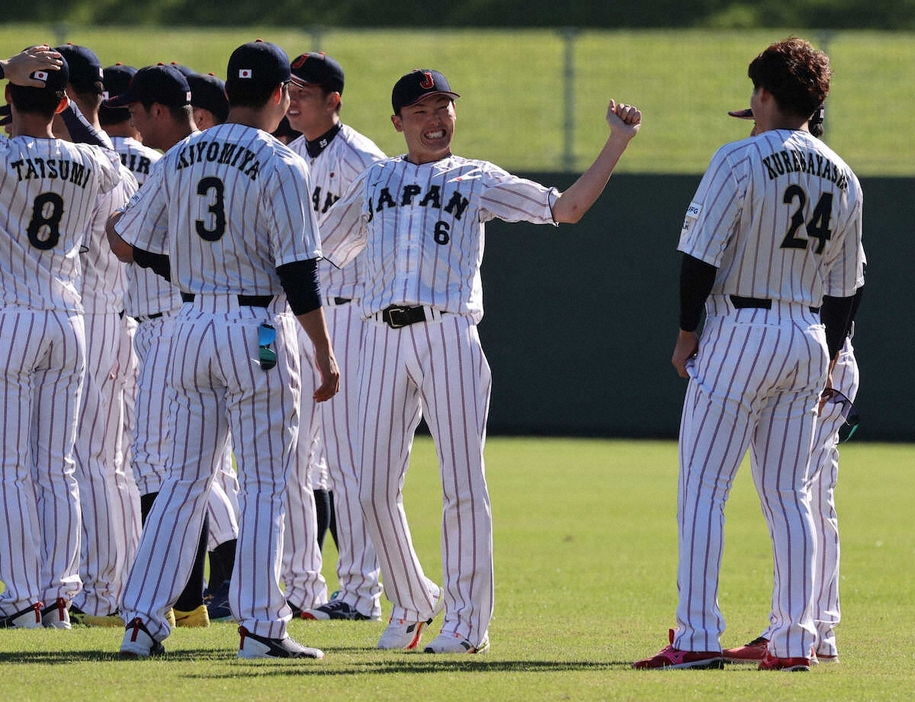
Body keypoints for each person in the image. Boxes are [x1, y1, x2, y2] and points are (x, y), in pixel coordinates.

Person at [320, 68, 641, 653]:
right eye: (420, 110)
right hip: (378, 338)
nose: (435, 119)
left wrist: (616, 143)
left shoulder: (475, 178)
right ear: (397, 122)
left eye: (443, 106)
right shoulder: (374, 182)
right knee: (367, 488)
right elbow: (323, 254)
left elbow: (564, 209)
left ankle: (468, 623)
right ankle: (413, 600)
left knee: (462, 482)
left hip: (448, 333)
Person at [632, 37, 864, 672]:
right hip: (810, 335)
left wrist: (686, 337)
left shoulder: (738, 159)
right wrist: (828, 358)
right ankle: (794, 642)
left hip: (742, 329)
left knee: (703, 487)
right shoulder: (845, 176)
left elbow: (698, 258)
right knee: (790, 494)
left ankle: (698, 636)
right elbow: (849, 290)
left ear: (763, 94)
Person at [113, 39, 339, 659]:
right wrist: (324, 351)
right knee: (265, 481)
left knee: (183, 481)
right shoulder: (283, 163)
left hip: (187, 325)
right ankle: (263, 628)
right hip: (255, 329)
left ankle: (140, 623)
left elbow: (124, 239)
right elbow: (298, 273)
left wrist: (187, 266)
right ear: (281, 94)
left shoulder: (180, 154)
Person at [720, 105, 863, 668]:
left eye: (756, 114)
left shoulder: (801, 181)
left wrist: (828, 359)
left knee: (795, 494)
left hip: (820, 355)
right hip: (821, 354)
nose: (753, 125)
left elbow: (849, 290)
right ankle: (815, 628)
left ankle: (797, 628)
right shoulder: (828, 180)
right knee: (810, 495)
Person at [0, 48, 122, 629]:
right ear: (60, 100)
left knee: (10, 468)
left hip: (13, 315)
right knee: (59, 467)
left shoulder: (2, 155)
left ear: (9, 99)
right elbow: (112, 159)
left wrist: (8, 71)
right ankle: (58, 598)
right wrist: (65, 103)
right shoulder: (87, 158)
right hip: (68, 318)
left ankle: (22, 598)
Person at [103, 63, 218, 628]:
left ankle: (185, 598)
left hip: (172, 319)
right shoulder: (213, 152)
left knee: (157, 460)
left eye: (135, 109)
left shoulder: (175, 162)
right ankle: (191, 598)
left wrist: (119, 231)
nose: (132, 120)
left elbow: (128, 245)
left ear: (155, 110)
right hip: (209, 316)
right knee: (195, 464)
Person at [283, 51, 387, 622]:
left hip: (349, 316)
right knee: (296, 458)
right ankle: (303, 587)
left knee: (348, 461)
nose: (294, 100)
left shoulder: (364, 160)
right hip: (298, 316)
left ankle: (361, 592)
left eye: (306, 91)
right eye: (290, 90)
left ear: (334, 101)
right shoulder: (288, 156)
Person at [54, 42, 142, 628]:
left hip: (105, 313)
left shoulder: (98, 158)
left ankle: (109, 591)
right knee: (98, 458)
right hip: (98, 314)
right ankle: (109, 582)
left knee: (97, 458)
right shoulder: (92, 153)